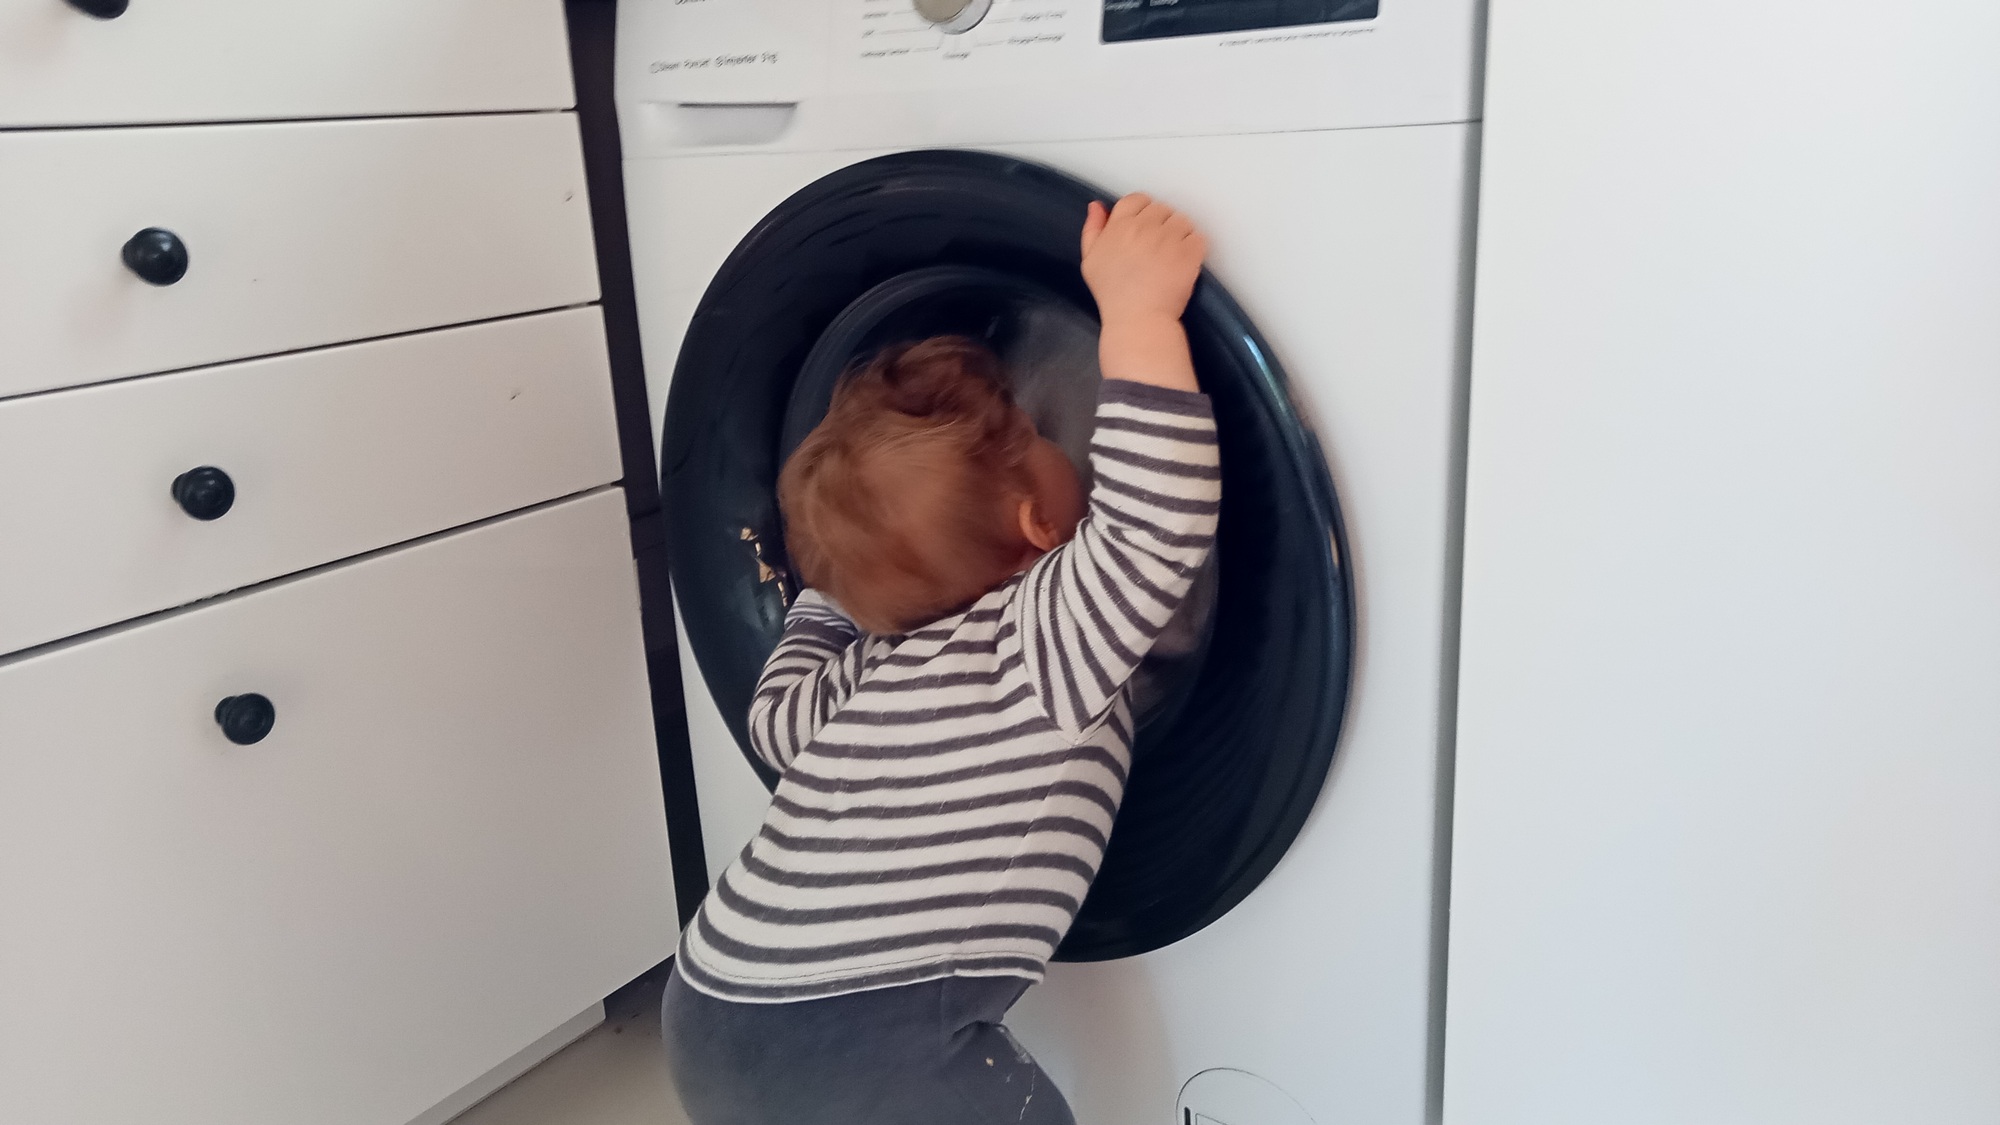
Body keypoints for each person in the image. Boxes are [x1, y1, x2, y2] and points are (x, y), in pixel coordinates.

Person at [661, 193, 1222, 1125]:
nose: (1063, 441)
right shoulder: (1043, 635)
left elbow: (773, 717)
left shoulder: (872, 671)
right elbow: (1153, 521)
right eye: (1043, 439)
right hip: (860, 1033)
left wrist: (838, 587)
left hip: (713, 992)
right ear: (1040, 526)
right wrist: (1138, 316)